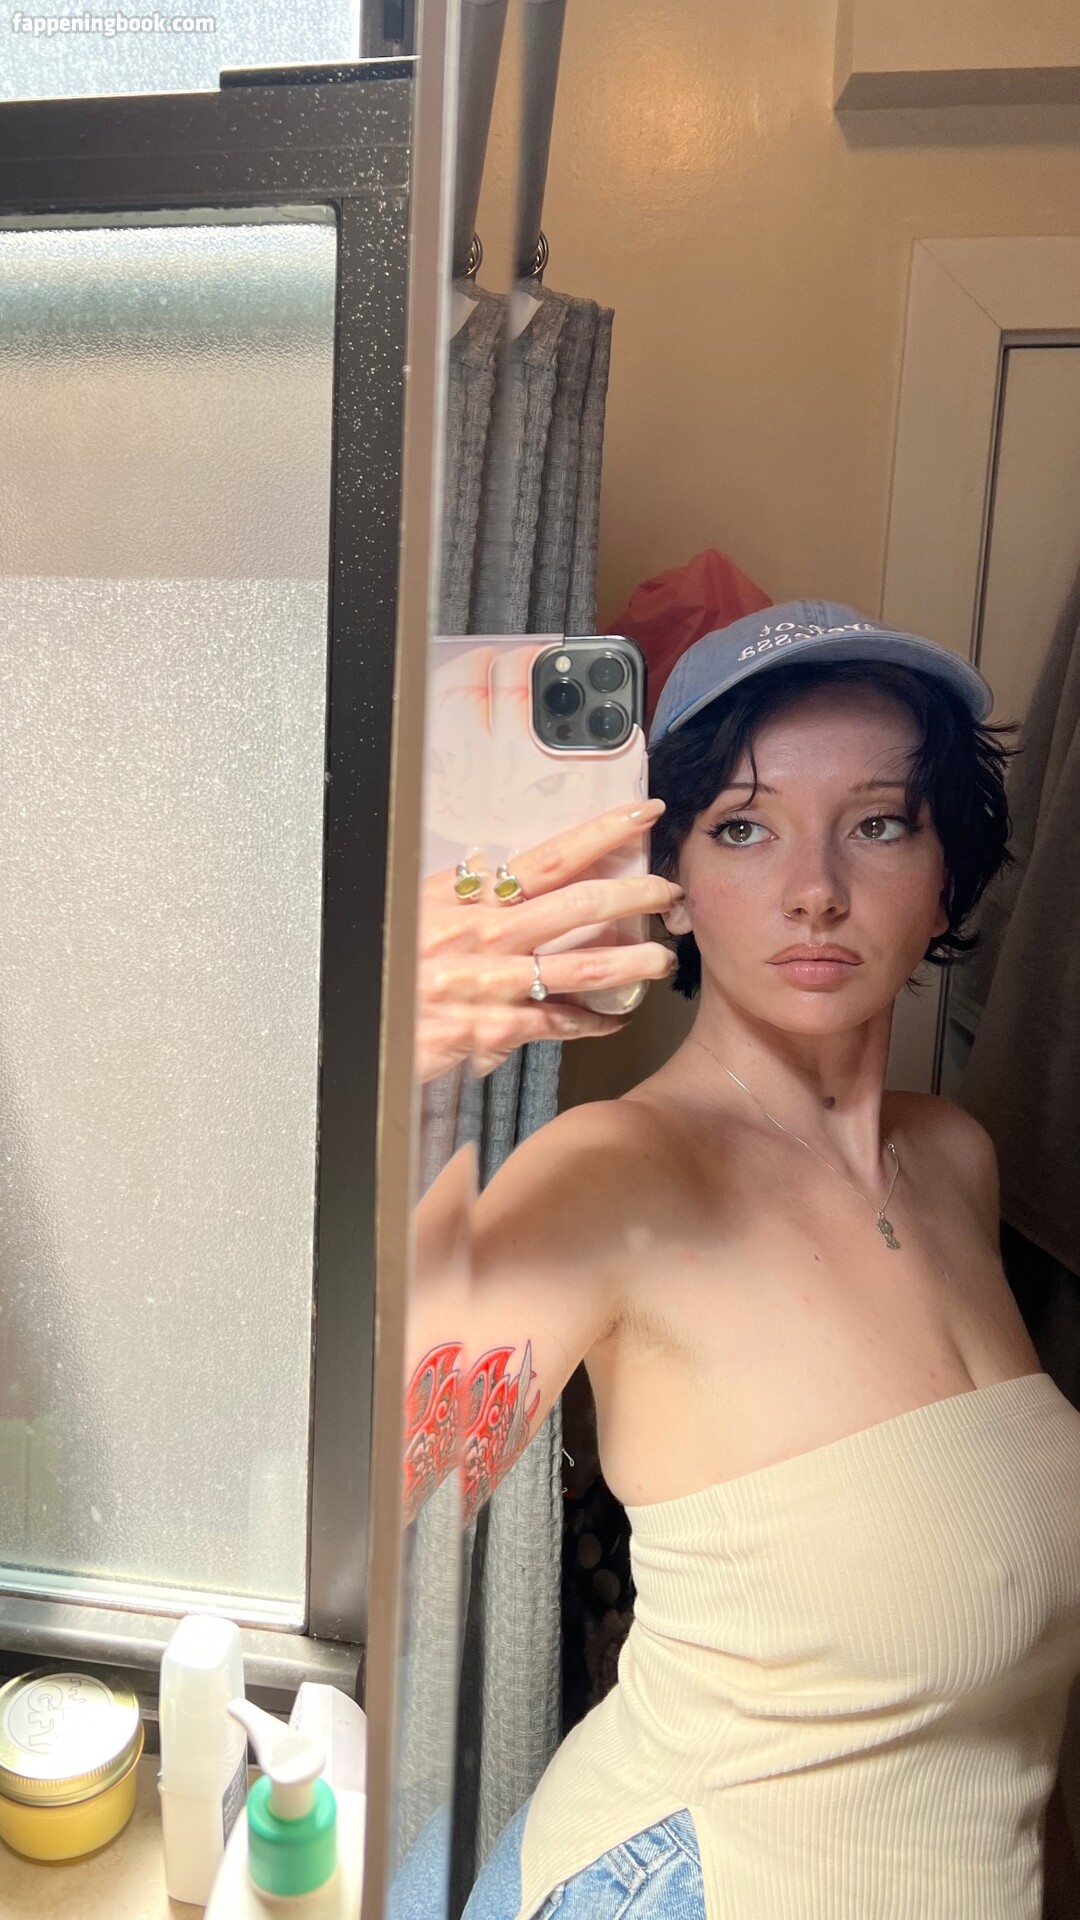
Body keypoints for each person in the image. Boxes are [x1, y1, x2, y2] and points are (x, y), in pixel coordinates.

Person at [406, 602, 1080, 1920]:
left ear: (948, 872)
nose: (814, 888)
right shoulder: (613, 1173)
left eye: (879, 822)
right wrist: (401, 1065)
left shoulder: (954, 1161)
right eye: (743, 827)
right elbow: (373, 1487)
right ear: (668, 876)